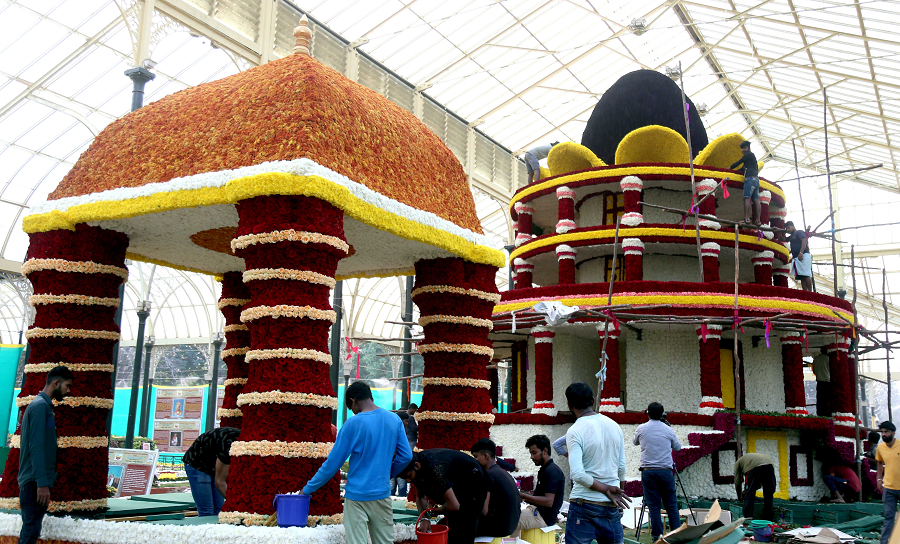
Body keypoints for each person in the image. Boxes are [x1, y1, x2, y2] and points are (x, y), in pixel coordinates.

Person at [302, 382, 412, 544]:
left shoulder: (352, 424)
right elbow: (406, 456)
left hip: (356, 498)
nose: (353, 412)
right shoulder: (394, 419)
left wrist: (306, 490)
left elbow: (332, 464)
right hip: (382, 495)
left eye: (350, 407)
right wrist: (388, 473)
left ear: (353, 400)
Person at [564, 382, 631, 544]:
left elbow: (578, 474)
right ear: (593, 401)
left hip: (584, 504)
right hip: (610, 506)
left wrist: (606, 488)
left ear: (569, 405)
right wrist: (617, 493)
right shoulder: (614, 426)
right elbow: (621, 467)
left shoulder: (574, 431)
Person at [18, 366, 73, 544]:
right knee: (30, 534)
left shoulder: (41, 405)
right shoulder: (41, 406)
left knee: (30, 531)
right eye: (67, 386)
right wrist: (42, 484)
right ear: (56, 383)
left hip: (34, 481)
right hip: (34, 483)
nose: (68, 391)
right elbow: (36, 447)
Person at [398, 449, 488, 544]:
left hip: (475, 484)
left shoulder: (435, 468)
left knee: (464, 528)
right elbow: (420, 497)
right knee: (450, 527)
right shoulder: (416, 468)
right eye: (404, 478)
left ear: (417, 466)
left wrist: (436, 511)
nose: (408, 481)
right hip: (457, 485)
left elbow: (454, 506)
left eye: (409, 476)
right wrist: (424, 518)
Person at [633, 402, 683, 542]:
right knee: (671, 505)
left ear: (647, 413)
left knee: (654, 506)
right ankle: (676, 536)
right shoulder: (667, 429)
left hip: (648, 472)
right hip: (665, 471)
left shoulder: (641, 428)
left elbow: (635, 442)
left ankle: (657, 538)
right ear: (662, 414)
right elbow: (677, 448)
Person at [182, 426, 239, 516]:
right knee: (206, 510)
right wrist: (237, 505)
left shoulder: (241, 442)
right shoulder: (229, 444)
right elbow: (220, 482)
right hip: (197, 464)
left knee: (219, 510)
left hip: (212, 463)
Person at [515, 434, 566, 536]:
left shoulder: (552, 471)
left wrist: (523, 496)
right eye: (531, 453)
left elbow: (548, 501)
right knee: (509, 515)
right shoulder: (545, 469)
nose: (532, 457)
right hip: (537, 512)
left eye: (534, 453)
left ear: (545, 451)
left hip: (543, 517)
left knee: (507, 521)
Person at [471, 438, 520, 537]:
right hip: (511, 525)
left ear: (485, 456)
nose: (474, 461)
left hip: (499, 527)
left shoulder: (488, 475)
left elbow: (483, 511)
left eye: (476, 457)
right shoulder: (502, 472)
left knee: (452, 525)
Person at [877, 421, 900, 544]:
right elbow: (880, 462)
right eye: (882, 432)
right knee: (888, 517)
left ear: (893, 432)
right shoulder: (880, 448)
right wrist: (879, 479)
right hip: (889, 488)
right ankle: (885, 542)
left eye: (886, 432)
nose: (883, 434)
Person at [734, 452, 775, 520]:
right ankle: (769, 518)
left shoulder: (738, 462)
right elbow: (758, 483)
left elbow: (737, 482)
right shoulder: (749, 458)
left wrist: (740, 497)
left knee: (750, 494)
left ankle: (748, 517)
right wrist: (748, 490)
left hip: (754, 467)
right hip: (769, 465)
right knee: (768, 493)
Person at [730, 141, 760, 225]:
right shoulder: (752, 159)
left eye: (744, 148)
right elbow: (742, 169)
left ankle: (747, 218)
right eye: (742, 149)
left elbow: (739, 162)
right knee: (756, 200)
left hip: (749, 179)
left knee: (747, 198)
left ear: (748, 148)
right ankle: (758, 220)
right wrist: (733, 172)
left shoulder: (748, 155)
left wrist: (730, 168)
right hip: (756, 180)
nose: (743, 150)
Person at [785, 221, 812, 291]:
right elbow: (782, 239)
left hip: (803, 255)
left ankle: (810, 291)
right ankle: (805, 291)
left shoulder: (799, 232)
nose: (787, 230)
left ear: (793, 226)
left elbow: (804, 240)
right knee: (801, 275)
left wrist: (801, 252)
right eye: (786, 229)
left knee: (806, 274)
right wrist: (778, 232)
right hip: (797, 257)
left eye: (788, 228)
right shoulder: (791, 237)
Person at [391, 412, 410, 497]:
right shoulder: (397, 431)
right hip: (397, 461)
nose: (407, 423)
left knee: (399, 484)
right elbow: (406, 455)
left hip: (395, 461)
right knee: (396, 483)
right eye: (406, 421)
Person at [812, 346, 831, 416]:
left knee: (820, 400)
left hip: (819, 382)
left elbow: (814, 371)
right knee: (827, 400)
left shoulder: (816, 359)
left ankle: (820, 414)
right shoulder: (829, 359)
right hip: (827, 382)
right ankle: (827, 414)